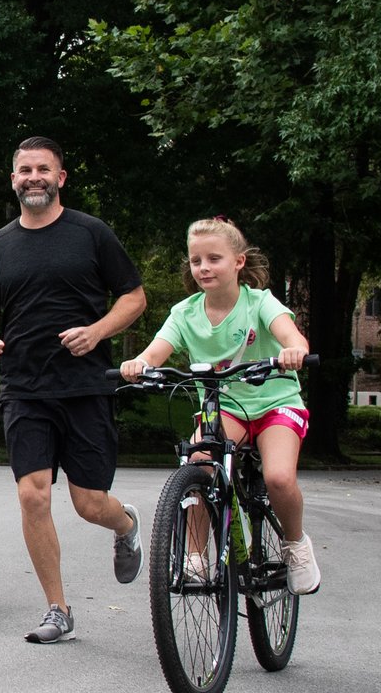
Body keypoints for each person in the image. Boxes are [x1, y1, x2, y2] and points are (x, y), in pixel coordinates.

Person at [0, 137, 148, 645]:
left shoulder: (91, 234)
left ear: (61, 177)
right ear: (13, 180)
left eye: (43, 169)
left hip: (86, 385)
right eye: (24, 169)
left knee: (90, 503)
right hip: (24, 387)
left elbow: (134, 298)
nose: (33, 177)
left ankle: (124, 525)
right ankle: (58, 609)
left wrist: (97, 332)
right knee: (33, 495)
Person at [118, 215, 321, 594]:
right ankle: (196, 557)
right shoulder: (186, 313)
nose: (204, 268)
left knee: (278, 477)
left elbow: (292, 336)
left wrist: (294, 350)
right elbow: (154, 352)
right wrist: (139, 364)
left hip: (275, 403)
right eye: (197, 261)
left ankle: (296, 545)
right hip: (225, 407)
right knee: (199, 464)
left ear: (238, 262)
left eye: (214, 259)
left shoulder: (259, 302)